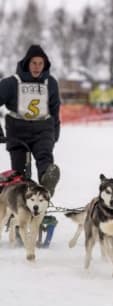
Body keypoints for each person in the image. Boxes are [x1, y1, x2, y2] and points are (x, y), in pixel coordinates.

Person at [0, 44, 60, 196]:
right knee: (20, 174)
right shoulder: (11, 83)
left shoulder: (50, 83)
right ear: (27, 63)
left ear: (45, 65)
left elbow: (55, 110)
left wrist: (55, 132)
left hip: (43, 130)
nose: (37, 67)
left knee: (44, 157)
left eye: (41, 63)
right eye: (34, 63)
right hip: (17, 131)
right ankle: (20, 206)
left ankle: (46, 182)